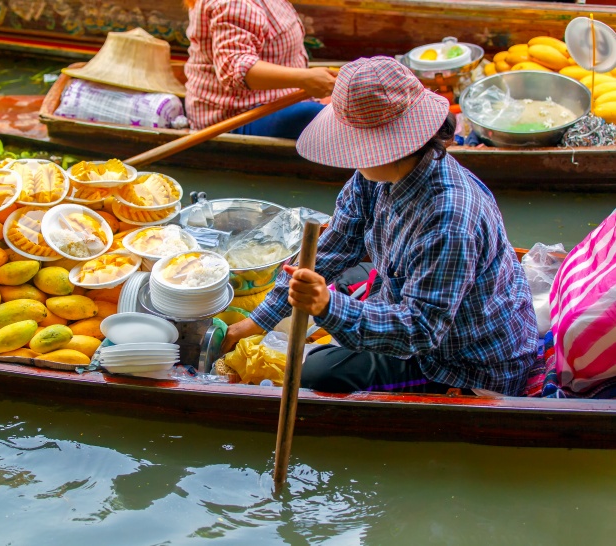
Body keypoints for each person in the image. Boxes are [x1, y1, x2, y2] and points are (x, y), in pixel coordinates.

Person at [221, 56, 539, 396]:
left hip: (459, 361)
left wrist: (326, 306)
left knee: (316, 373)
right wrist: (254, 323)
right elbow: (334, 247)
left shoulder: (449, 218)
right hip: (413, 308)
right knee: (335, 275)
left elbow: (419, 331)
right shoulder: (373, 177)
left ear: (386, 146)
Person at [183, 0, 336, 138]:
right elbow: (236, 68)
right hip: (236, 117)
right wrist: (305, 79)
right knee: (315, 116)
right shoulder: (234, 3)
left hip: (278, 101)